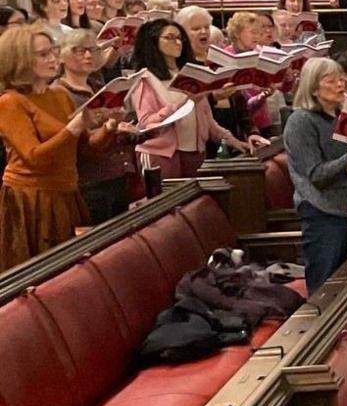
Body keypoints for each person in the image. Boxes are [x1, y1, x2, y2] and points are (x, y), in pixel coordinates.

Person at [0, 26, 105, 264]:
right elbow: (34, 157)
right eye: (43, 54)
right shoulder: (10, 102)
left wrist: (109, 128)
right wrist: (73, 128)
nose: (53, 59)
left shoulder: (59, 95)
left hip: (65, 192)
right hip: (31, 200)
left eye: (53, 51)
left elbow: (85, 150)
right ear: (20, 60)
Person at [282, 56, 347, 293]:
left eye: (341, 79)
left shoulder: (346, 119)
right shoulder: (301, 122)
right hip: (323, 213)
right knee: (326, 287)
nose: (340, 85)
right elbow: (316, 175)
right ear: (313, 87)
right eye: (331, 80)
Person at [130, 18, 267, 178]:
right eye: (170, 37)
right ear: (153, 42)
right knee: (167, 201)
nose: (178, 42)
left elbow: (208, 123)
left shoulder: (191, 74)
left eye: (180, 37)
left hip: (194, 152)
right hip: (161, 154)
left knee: (195, 201)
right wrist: (185, 102)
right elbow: (147, 124)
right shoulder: (145, 79)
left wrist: (235, 142)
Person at [54, 29, 137, 224]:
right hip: (91, 181)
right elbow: (81, 144)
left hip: (116, 174)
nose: (88, 55)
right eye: (79, 50)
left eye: (92, 50)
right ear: (62, 55)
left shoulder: (97, 84)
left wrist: (121, 127)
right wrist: (110, 126)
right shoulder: (60, 93)